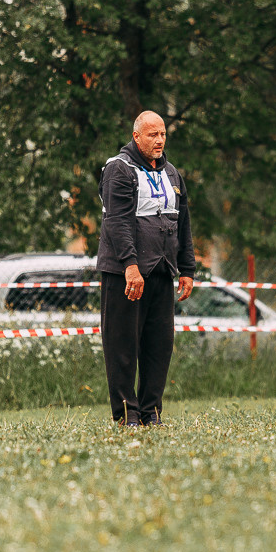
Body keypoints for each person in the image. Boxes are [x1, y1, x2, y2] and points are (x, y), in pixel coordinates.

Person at [96, 111, 196, 426]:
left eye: (163, 134)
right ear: (136, 136)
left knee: (159, 346)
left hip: (161, 271)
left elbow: (183, 223)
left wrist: (187, 268)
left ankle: (151, 412)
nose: (160, 140)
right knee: (122, 346)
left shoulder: (171, 173)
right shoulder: (119, 169)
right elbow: (117, 222)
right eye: (153, 135)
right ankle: (127, 414)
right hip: (125, 275)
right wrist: (130, 265)